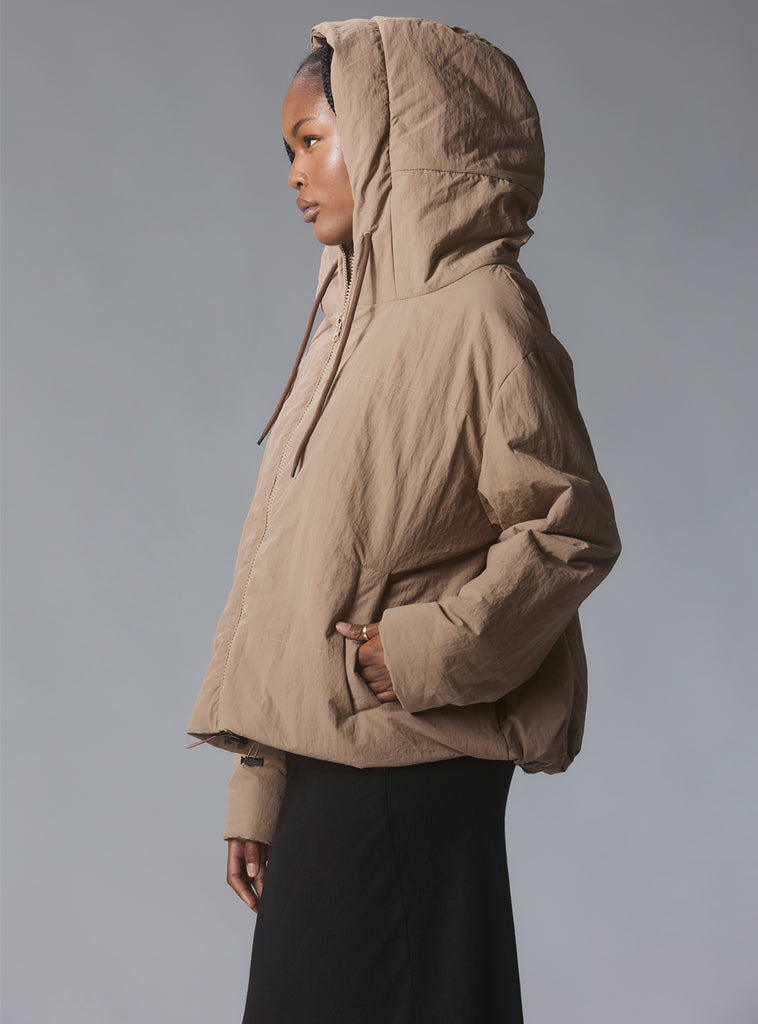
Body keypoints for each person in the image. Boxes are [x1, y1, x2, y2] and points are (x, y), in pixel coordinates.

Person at [187, 16, 621, 1024]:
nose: (294, 173)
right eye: (288, 149)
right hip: (328, 765)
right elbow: (297, 577)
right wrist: (261, 785)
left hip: (414, 762)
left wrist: (424, 652)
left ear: (393, 136)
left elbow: (569, 527)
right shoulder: (347, 325)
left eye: (312, 140)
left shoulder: (483, 312)